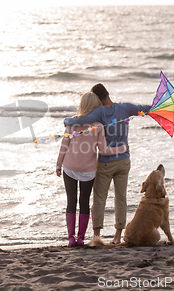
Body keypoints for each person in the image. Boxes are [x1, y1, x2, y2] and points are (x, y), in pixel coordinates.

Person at [63, 83, 151, 244]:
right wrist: (156, 107)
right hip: (124, 160)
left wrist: (66, 120)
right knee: (121, 198)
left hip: (105, 163)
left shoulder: (99, 112)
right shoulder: (126, 108)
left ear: (96, 99)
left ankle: (97, 236)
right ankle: (117, 237)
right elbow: (143, 109)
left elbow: (80, 119)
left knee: (99, 198)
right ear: (108, 93)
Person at [56, 92, 128, 246]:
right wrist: (122, 148)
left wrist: (58, 164)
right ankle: (81, 238)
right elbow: (104, 151)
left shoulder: (71, 123)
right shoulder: (98, 126)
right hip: (88, 171)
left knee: (71, 201)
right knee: (83, 202)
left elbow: (64, 145)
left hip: (69, 167)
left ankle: (71, 239)